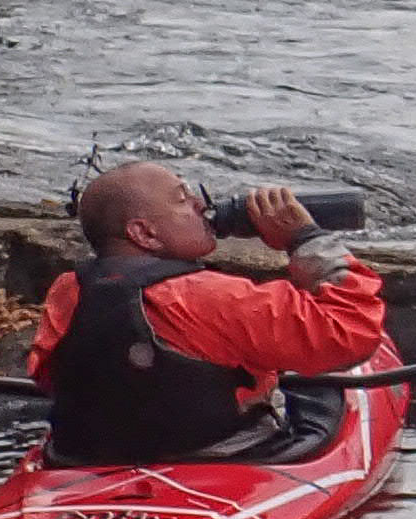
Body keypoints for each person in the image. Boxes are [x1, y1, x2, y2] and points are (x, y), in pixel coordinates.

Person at [27, 163, 388, 464]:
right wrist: (305, 238)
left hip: (86, 457)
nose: (201, 205)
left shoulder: (67, 291)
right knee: (325, 388)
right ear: (144, 233)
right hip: (221, 455)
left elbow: (46, 374)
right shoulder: (214, 297)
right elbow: (351, 331)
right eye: (183, 199)